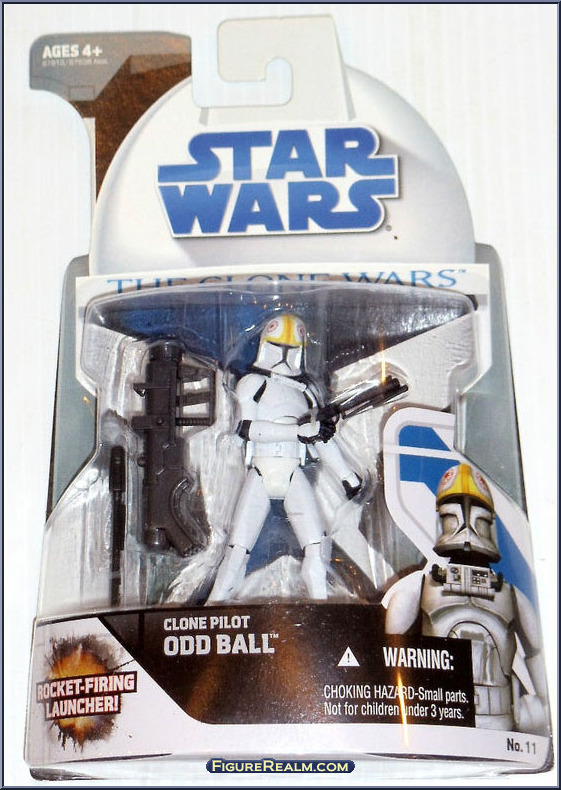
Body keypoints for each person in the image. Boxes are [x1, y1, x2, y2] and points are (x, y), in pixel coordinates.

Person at [207, 312, 361, 603]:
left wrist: (346, 476)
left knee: (316, 546)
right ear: (265, 346)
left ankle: (321, 605)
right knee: (237, 550)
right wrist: (298, 431)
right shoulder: (253, 383)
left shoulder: (307, 392)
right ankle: (213, 606)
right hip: (261, 470)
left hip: (292, 471)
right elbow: (247, 429)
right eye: (278, 347)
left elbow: (320, 438)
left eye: (290, 349)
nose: (284, 355)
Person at [384, 463, 548, 732]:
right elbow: (390, 652)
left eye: (477, 517)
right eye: (455, 515)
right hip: (439, 717)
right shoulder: (420, 585)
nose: (467, 526)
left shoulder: (508, 594)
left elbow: (539, 655)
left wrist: (544, 712)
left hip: (499, 722)